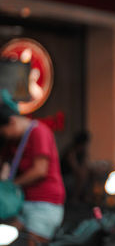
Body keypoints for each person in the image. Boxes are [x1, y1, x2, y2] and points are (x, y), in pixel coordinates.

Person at [0, 103, 65, 245]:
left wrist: (12, 184)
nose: (4, 136)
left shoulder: (38, 132)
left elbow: (40, 170)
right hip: (24, 203)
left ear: (12, 122)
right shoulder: (14, 142)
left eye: (3, 132)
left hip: (44, 204)